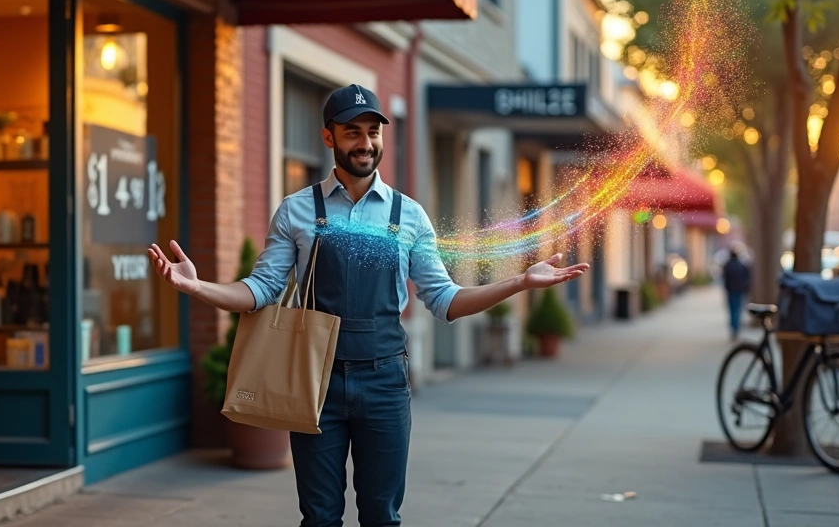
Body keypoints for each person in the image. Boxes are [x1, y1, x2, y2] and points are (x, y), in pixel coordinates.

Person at [148, 83, 589, 527]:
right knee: (319, 517)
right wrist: (199, 288)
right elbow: (261, 289)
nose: (365, 143)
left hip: (385, 382)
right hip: (315, 381)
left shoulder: (409, 215)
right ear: (329, 137)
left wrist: (519, 282)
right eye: (352, 132)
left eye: (373, 132)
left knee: (382, 515)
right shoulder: (297, 210)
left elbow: (445, 300)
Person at [722, 249, 751, 341]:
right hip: (739, 291)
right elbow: (747, 277)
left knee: (732, 310)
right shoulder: (741, 265)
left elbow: (725, 278)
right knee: (738, 309)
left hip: (731, 291)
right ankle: (736, 327)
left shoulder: (727, 265)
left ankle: (734, 328)